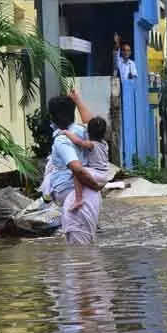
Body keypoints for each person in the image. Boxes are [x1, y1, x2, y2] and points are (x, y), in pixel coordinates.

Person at [44, 93, 105, 243]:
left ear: (52, 117)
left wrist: (94, 185)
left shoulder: (63, 140)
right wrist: (78, 101)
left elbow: (77, 169)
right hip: (88, 195)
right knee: (86, 254)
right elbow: (92, 121)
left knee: (80, 256)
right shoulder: (85, 131)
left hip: (78, 199)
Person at [62, 92, 111, 211]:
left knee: (77, 172)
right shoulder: (104, 144)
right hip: (105, 174)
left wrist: (66, 133)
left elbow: (78, 142)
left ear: (88, 132)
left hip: (97, 173)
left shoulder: (91, 144)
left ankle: (78, 199)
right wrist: (77, 99)